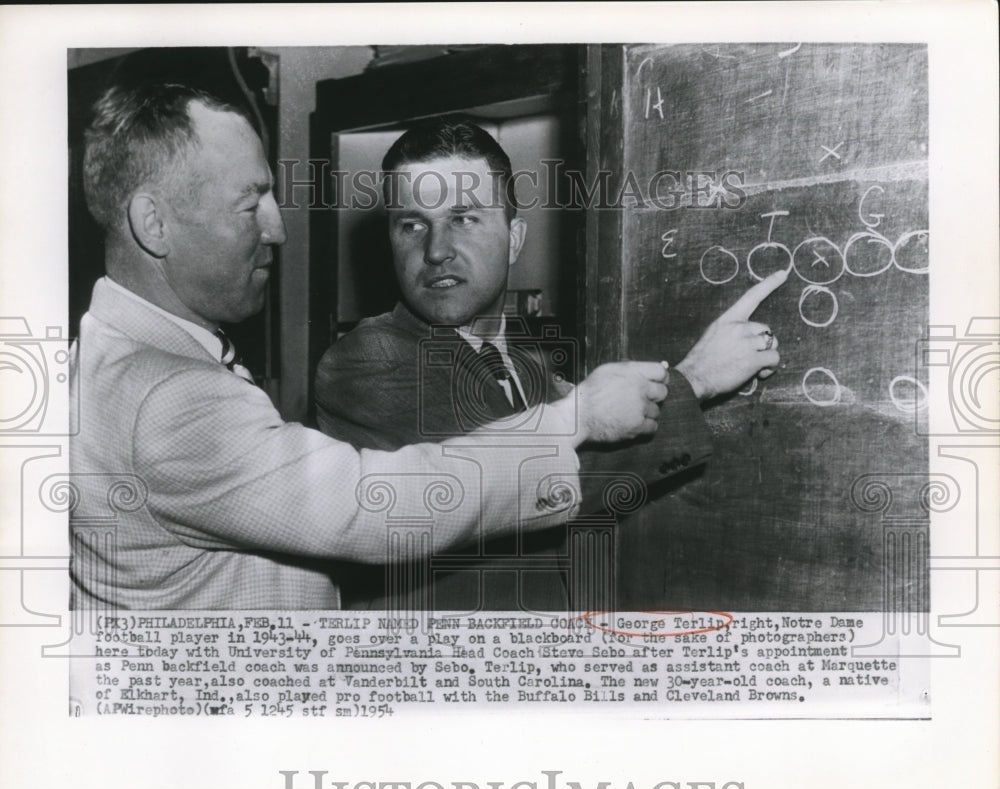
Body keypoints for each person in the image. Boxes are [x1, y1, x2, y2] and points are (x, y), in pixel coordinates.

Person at [69, 83, 677, 611]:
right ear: (154, 223)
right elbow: (380, 506)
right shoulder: (167, 397)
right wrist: (587, 414)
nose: (277, 229)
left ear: (514, 239)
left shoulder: (110, 360)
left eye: (465, 219)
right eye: (250, 203)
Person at [315, 117, 785, 611]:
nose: (435, 251)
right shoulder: (366, 361)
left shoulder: (530, 369)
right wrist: (698, 379)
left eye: (464, 218)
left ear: (515, 239)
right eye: (412, 225)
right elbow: (513, 480)